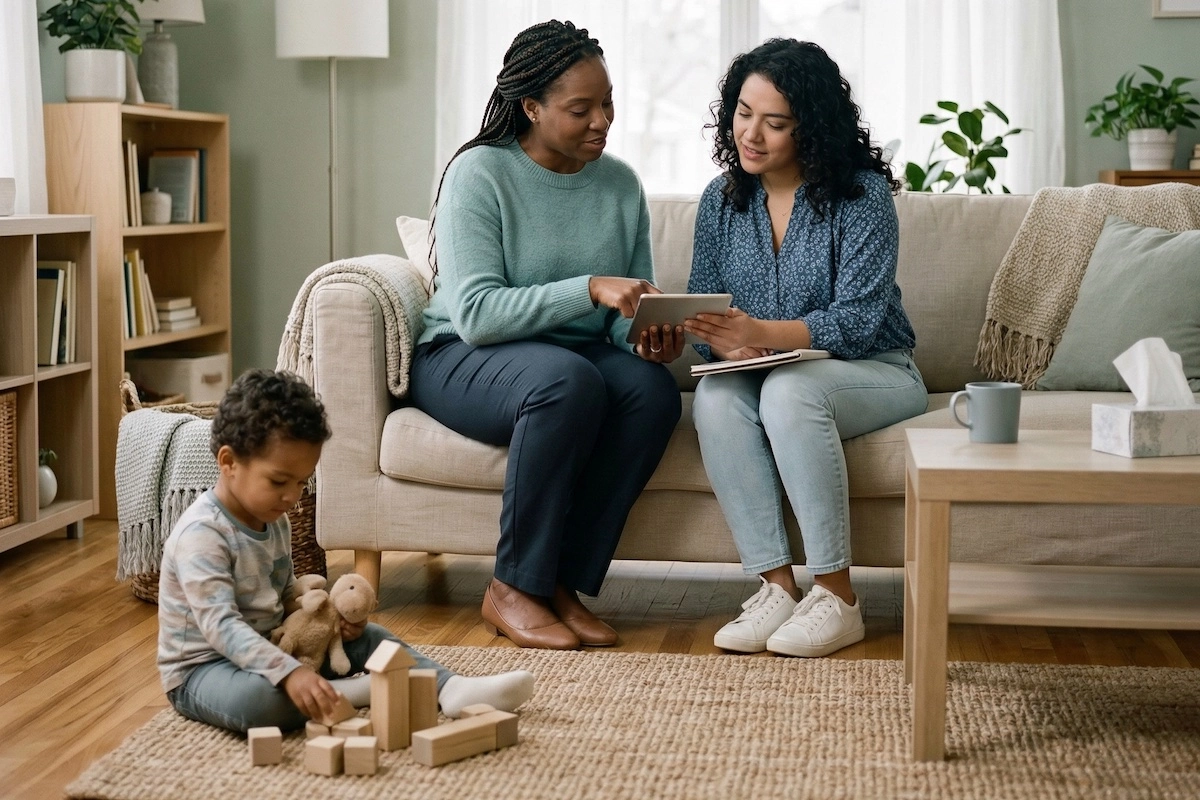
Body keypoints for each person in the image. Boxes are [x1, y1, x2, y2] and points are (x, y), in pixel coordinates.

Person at [410, 20, 683, 651]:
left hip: (567, 356)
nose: (601, 122)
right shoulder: (480, 173)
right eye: (580, 109)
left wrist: (640, 338)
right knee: (567, 381)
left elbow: (621, 312)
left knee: (650, 391)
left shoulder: (618, 183)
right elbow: (477, 313)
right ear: (531, 107)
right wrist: (587, 286)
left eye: (608, 103)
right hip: (462, 354)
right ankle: (511, 586)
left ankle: (561, 582)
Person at [685, 39, 928, 657]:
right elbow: (706, 304)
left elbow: (859, 318)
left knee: (790, 393)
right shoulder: (721, 198)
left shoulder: (862, 195)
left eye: (776, 122)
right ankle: (775, 588)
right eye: (743, 113)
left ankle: (838, 597)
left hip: (875, 367)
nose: (752, 135)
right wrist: (709, 340)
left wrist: (760, 334)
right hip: (767, 370)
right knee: (714, 395)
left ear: (811, 127)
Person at [158, 369, 535, 733]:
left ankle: (451, 688)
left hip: (275, 643)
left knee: (371, 637)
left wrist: (325, 617)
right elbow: (220, 626)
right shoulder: (202, 534)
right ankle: (360, 691)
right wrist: (290, 673)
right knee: (258, 702)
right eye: (278, 481)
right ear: (229, 463)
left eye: (302, 481)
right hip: (205, 669)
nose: (292, 496)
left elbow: (284, 595)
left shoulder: (274, 517)